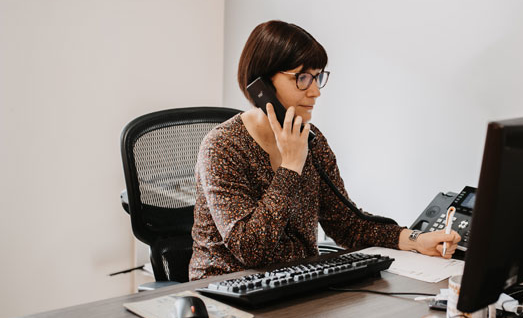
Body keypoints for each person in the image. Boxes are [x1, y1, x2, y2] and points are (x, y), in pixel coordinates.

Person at [189, 20, 459, 280]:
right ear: (262, 83)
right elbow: (251, 250)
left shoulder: (312, 140)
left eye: (317, 77)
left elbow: (347, 224)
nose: (315, 92)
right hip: (226, 289)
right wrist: (290, 167)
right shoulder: (223, 146)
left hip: (297, 281)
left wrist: (416, 240)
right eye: (303, 78)